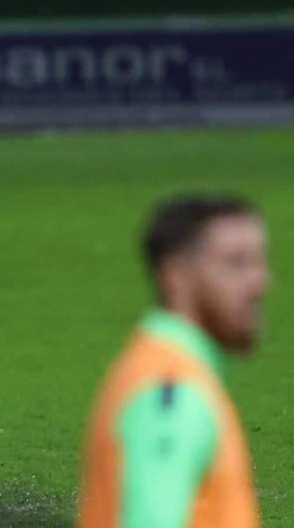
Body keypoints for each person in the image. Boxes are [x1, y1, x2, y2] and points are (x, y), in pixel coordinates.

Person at [78, 196, 268, 527]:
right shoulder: (171, 391)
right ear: (176, 276)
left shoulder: (171, 371)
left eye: (258, 261)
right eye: (236, 263)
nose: (259, 281)